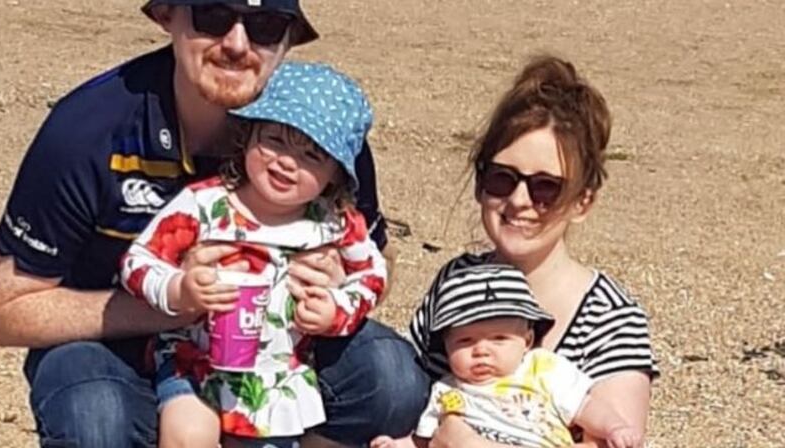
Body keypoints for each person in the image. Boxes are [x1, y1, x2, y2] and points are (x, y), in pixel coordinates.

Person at [0, 1, 429, 447]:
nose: (237, 44)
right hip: (112, 343)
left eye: (265, 25)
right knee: (95, 417)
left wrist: (336, 286)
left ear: (289, 38)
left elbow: (377, 262)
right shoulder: (88, 130)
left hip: (281, 345)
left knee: (391, 379)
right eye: (213, 16)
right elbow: (1, 310)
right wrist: (177, 302)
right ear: (167, 16)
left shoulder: (324, 133)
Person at [121, 61, 387, 448]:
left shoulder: (335, 223)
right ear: (247, 136)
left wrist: (336, 309)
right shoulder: (205, 203)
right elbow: (137, 262)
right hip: (194, 358)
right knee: (189, 434)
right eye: (274, 140)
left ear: (335, 174)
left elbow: (372, 276)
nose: (286, 162)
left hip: (277, 371)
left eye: (312, 155)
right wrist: (180, 290)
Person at [407, 55, 659, 447]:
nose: (520, 200)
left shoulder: (609, 318)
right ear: (480, 184)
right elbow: (412, 403)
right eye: (502, 179)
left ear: (582, 202)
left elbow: (617, 439)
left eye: (546, 187)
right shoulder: (456, 281)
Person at [371, 265, 642, 448]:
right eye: (465, 341)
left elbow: (583, 406)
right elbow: (423, 439)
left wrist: (614, 427)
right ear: (447, 346)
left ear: (527, 341)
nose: (481, 350)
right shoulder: (446, 390)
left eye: (499, 339)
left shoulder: (542, 370)